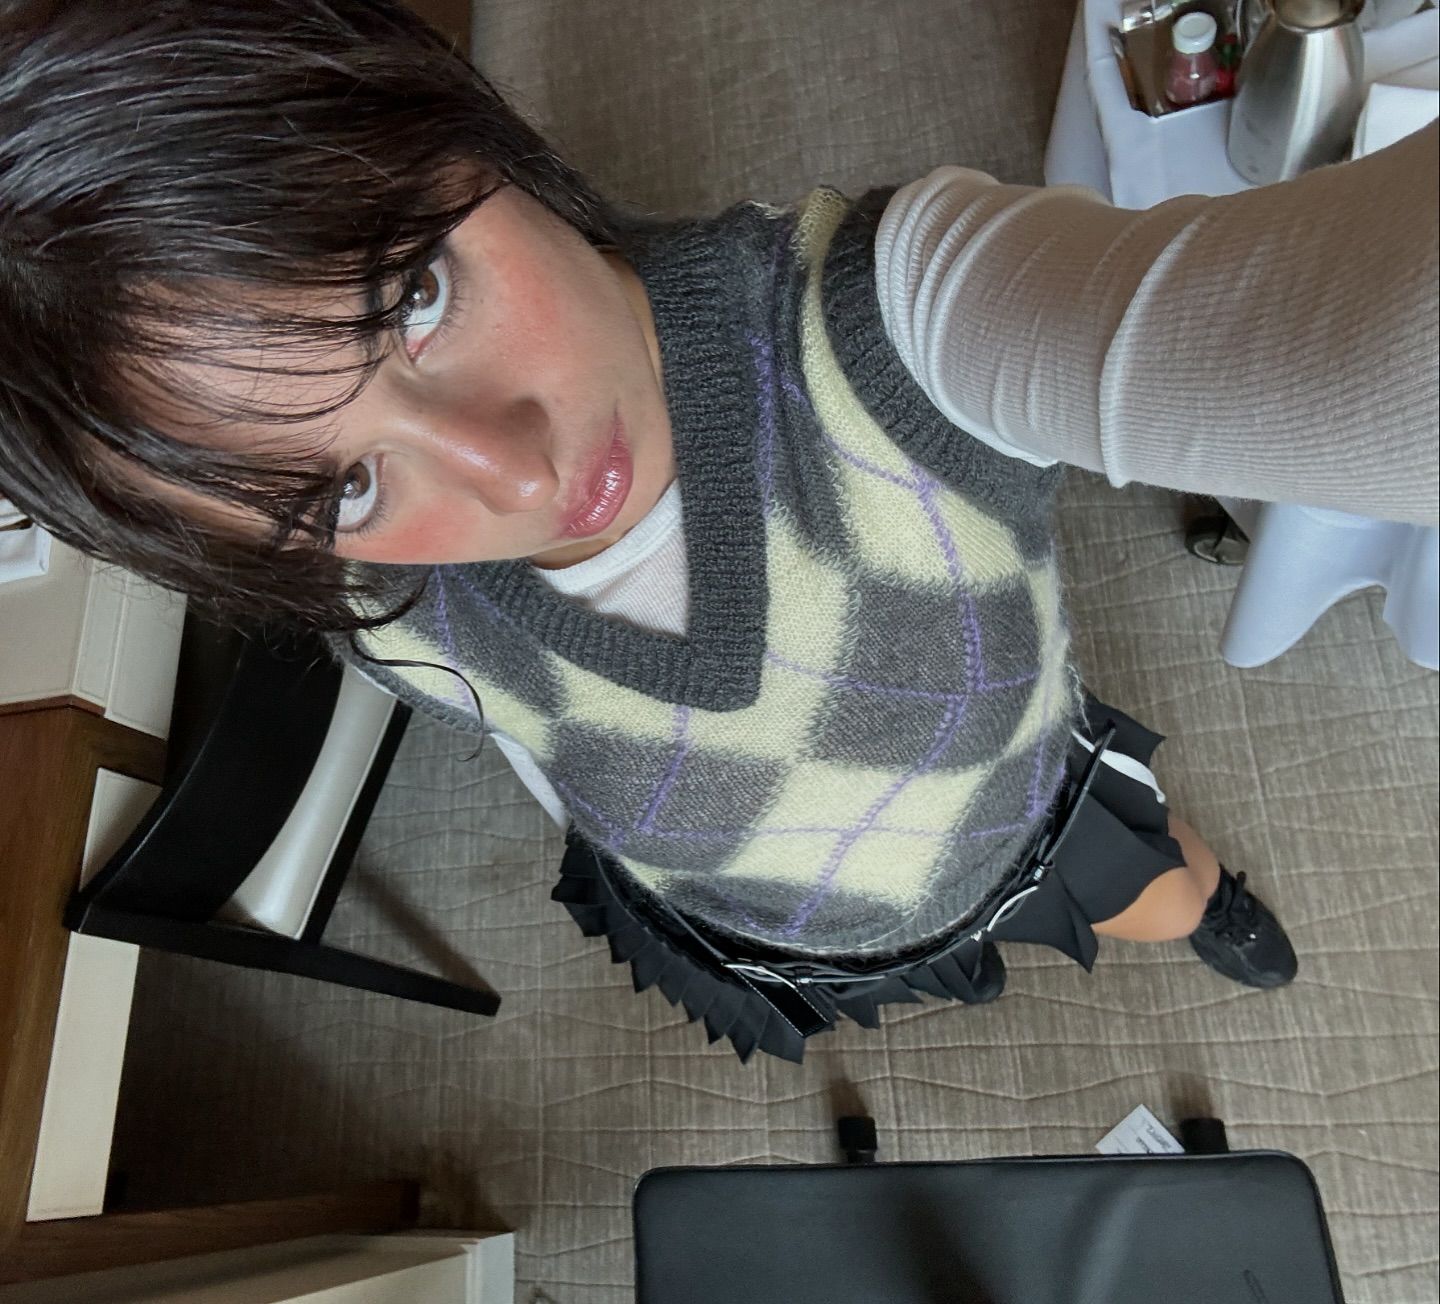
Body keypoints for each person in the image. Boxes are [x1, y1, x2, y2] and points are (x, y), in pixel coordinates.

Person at [2, 0, 1433, 1062]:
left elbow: (1348, 348)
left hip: (1014, 823)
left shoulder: (893, 323)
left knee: (1150, 884)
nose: (510, 472)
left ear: (443, 121)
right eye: (343, 490)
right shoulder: (386, 604)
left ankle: (1207, 898)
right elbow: (526, 730)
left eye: (416, 297)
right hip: (748, 919)